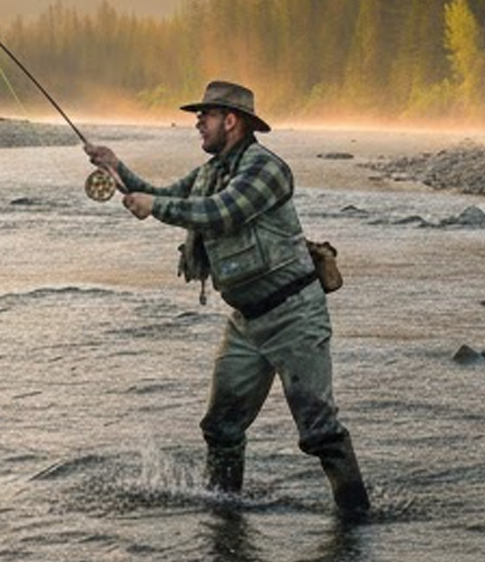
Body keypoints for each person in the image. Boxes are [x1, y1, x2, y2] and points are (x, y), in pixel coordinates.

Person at [83, 80, 372, 522]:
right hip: (246, 321)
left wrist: (152, 206)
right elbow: (167, 195)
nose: (197, 123)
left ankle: (357, 520)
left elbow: (222, 213)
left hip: (294, 314)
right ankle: (225, 516)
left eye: (206, 115)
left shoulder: (266, 169)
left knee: (319, 431)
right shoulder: (209, 171)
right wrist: (116, 165)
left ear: (231, 120)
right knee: (221, 428)